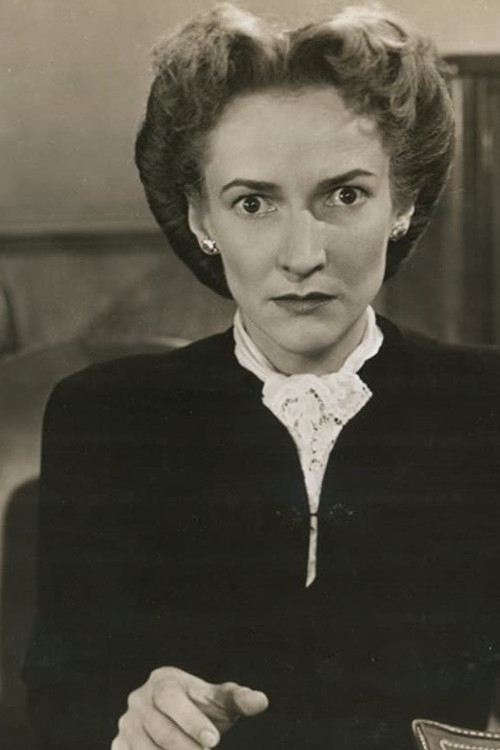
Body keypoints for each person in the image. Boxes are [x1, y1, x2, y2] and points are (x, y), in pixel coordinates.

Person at [23, 4, 500, 750]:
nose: (301, 254)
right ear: (201, 219)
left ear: (403, 203)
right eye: (253, 203)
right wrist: (134, 713)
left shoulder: (486, 405)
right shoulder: (108, 416)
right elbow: (60, 701)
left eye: (345, 195)